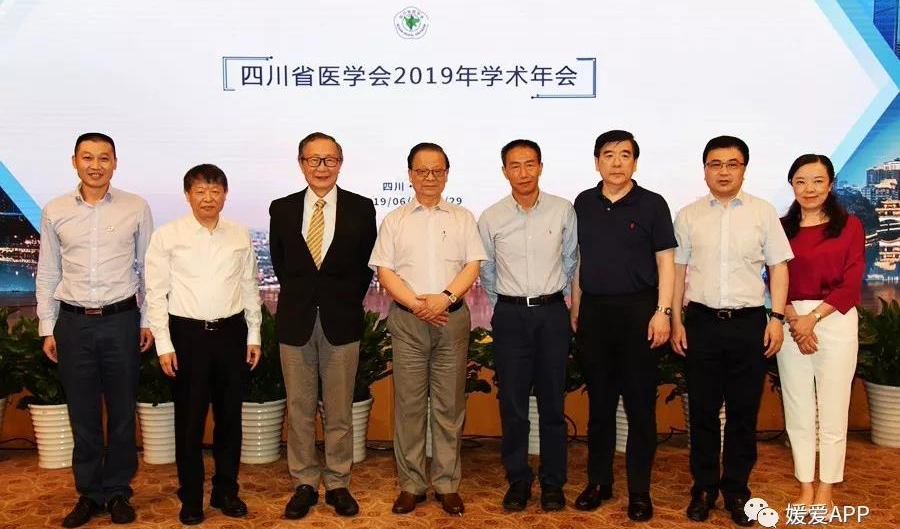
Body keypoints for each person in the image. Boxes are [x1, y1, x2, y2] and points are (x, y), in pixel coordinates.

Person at [671, 136, 793, 526]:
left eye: (732, 164)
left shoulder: (763, 212)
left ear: (744, 169)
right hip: (701, 323)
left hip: (749, 324)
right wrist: (675, 320)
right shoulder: (688, 215)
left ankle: (737, 490)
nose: (724, 171)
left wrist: (776, 318)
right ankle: (704, 488)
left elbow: (778, 267)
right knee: (703, 411)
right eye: (715, 164)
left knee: (743, 413)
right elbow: (677, 271)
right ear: (704, 169)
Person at [36, 132, 153, 528]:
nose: (96, 165)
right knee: (82, 413)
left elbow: (147, 270)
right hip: (72, 324)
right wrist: (47, 326)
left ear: (115, 162)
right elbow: (48, 272)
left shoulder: (136, 207)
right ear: (75, 161)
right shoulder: (55, 209)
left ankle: (118, 491)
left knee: (121, 413)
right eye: (87, 157)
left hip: (121, 321)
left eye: (104, 157)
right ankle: (88, 493)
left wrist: (147, 320)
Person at [369, 142, 486, 515]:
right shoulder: (395, 220)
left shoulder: (463, 218)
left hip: (451, 319)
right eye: (422, 171)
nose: (430, 177)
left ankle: (448, 484)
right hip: (409, 321)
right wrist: (419, 305)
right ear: (410, 175)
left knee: (450, 406)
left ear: (447, 175)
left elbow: (472, 265)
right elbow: (385, 271)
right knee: (409, 406)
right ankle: (412, 485)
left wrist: (445, 298)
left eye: (437, 171)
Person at [145, 164, 262, 525]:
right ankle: (191, 496)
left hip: (231, 334)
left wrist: (254, 334)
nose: (208, 198)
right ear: (188, 195)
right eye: (200, 191)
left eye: (215, 191)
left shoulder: (239, 234)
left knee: (230, 419)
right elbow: (156, 294)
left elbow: (249, 286)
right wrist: (164, 344)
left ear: (225, 195)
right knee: (190, 422)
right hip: (187, 336)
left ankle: (226, 491)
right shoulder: (168, 235)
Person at [269, 132, 377, 519]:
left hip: (341, 322)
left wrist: (340, 299)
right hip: (295, 320)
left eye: (329, 159)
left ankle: (337, 483)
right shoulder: (282, 209)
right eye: (313, 159)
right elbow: (282, 265)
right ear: (301, 163)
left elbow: (366, 266)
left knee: (339, 409)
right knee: (298, 408)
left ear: (340, 164)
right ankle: (303, 481)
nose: (321, 167)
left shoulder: (361, 208)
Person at [570, 130, 676, 521]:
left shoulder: (652, 204)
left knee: (640, 407)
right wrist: (576, 307)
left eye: (625, 154)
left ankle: (639, 490)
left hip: (640, 313)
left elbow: (666, 262)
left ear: (635, 161)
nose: (616, 162)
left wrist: (663, 311)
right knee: (599, 405)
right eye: (609, 155)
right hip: (595, 314)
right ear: (597, 161)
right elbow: (580, 260)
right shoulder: (583, 202)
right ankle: (599, 482)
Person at [478, 139, 577, 512]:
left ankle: (553, 482)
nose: (523, 172)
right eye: (515, 166)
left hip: (552, 314)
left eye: (530, 164)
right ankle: (518, 479)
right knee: (513, 403)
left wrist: (554, 299)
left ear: (540, 167)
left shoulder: (562, 210)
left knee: (553, 402)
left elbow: (570, 260)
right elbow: (487, 269)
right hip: (511, 316)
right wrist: (507, 304)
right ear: (505, 171)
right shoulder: (491, 217)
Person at [777, 154, 864, 509]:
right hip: (791, 320)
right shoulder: (781, 228)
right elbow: (771, 277)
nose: (809, 189)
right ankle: (805, 485)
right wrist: (793, 318)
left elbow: (852, 280)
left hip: (835, 319)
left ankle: (826, 487)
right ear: (792, 185)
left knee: (833, 407)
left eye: (817, 181)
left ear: (830, 184)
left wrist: (812, 318)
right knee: (797, 407)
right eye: (801, 181)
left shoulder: (850, 226)